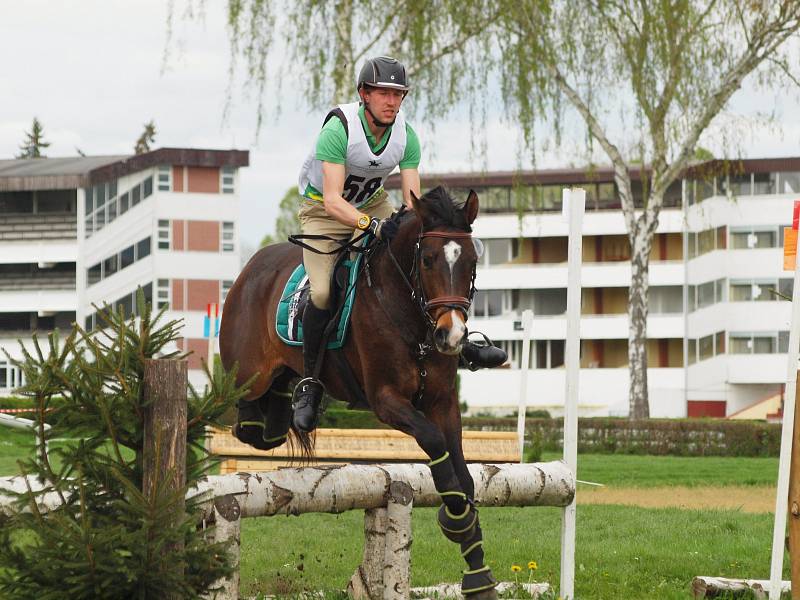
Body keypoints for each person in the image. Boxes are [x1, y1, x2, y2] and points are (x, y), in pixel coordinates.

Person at [293, 56, 506, 432]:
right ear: (364, 94)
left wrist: (419, 231)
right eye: (384, 93)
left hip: (373, 204)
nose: (392, 101)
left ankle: (460, 340)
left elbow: (413, 203)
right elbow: (331, 199)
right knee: (324, 292)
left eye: (398, 94)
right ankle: (310, 383)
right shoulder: (338, 130)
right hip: (323, 212)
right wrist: (370, 226)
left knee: (415, 265)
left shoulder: (406, 136)